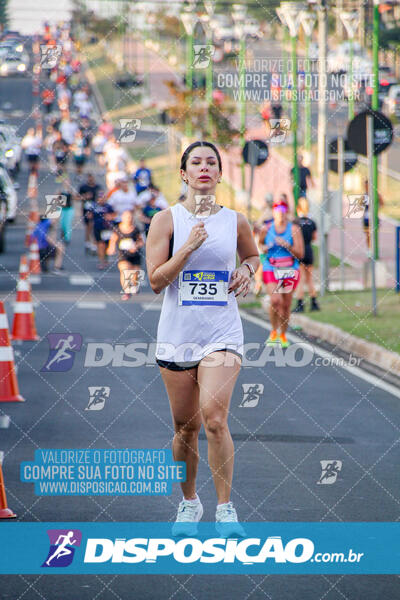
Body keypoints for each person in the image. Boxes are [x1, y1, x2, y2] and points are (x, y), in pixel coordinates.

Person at [145, 141, 259, 535]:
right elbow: (156, 281)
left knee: (214, 419)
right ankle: (189, 502)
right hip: (177, 335)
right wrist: (188, 249)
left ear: (220, 174)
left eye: (212, 162)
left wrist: (247, 271)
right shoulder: (166, 221)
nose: (205, 168)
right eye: (196, 162)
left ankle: (225, 509)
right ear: (184, 173)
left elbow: (252, 256)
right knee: (185, 427)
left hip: (222, 333)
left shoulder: (236, 221)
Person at [260, 194, 304, 348]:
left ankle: (283, 335)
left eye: (283, 209)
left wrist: (288, 246)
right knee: (275, 300)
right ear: (273, 212)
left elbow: (300, 254)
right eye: (277, 209)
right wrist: (265, 247)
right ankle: (273, 331)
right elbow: (259, 246)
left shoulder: (294, 229)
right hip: (271, 267)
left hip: (289, 269)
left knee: (285, 305)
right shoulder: (266, 229)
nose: (280, 212)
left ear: (287, 211)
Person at [107, 210, 145, 300]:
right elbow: (113, 239)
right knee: (125, 271)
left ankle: (134, 286)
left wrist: (136, 246)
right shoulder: (118, 228)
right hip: (123, 254)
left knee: (135, 274)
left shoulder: (136, 229)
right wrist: (111, 248)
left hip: (135, 254)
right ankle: (126, 291)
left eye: (130, 217)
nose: (129, 219)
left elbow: (141, 241)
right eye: (127, 217)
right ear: (123, 218)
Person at [293, 196, 320, 312]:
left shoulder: (296, 223)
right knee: (310, 279)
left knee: (300, 279)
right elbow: (314, 237)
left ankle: (300, 304)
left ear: (298, 208)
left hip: (300, 251)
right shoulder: (312, 222)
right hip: (309, 250)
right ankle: (314, 302)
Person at [253, 193, 274, 296]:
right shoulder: (274, 213)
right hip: (270, 241)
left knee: (260, 262)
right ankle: (263, 284)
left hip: (264, 239)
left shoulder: (266, 213)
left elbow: (258, 225)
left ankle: (258, 283)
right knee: (264, 262)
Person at [88, 190, 115, 269]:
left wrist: (110, 217)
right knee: (100, 245)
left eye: (103, 198)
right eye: (100, 198)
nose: (101, 199)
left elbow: (114, 214)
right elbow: (89, 215)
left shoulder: (108, 206)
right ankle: (101, 262)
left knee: (106, 246)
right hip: (97, 228)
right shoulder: (94, 206)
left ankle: (105, 258)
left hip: (106, 229)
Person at [78, 173, 102, 253]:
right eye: (89, 178)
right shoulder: (83, 187)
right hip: (86, 209)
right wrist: (85, 196)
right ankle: (88, 242)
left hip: (95, 209)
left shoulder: (97, 187)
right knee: (88, 226)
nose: (91, 180)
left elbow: (102, 196)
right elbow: (77, 197)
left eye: (92, 178)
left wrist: (100, 199)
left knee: (94, 225)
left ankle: (94, 243)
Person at [362, 179, 384, 250]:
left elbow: (382, 203)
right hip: (366, 218)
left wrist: (376, 209)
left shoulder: (376, 194)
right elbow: (361, 205)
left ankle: (374, 249)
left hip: (374, 217)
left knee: (374, 234)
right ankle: (369, 250)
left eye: (367, 185)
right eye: (365, 185)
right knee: (368, 235)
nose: (366, 187)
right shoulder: (364, 195)